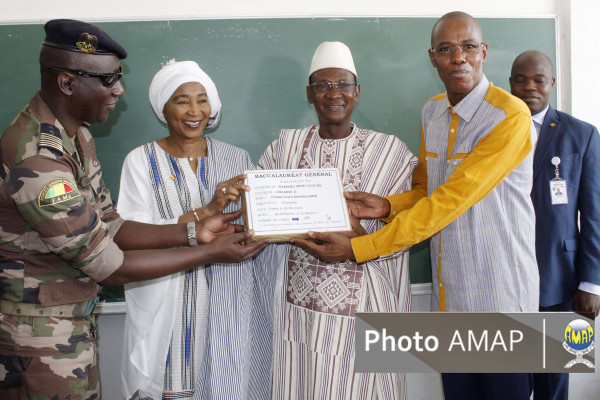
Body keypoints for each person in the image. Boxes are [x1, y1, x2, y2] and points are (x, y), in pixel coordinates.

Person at [0, 19, 266, 400]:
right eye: (108, 80)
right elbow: (106, 263)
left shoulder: (77, 135)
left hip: (69, 326)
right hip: (36, 339)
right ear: (67, 82)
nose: (120, 91)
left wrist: (194, 231)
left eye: (117, 77)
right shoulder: (40, 158)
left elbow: (111, 224)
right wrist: (210, 251)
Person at [294, 13, 539, 400]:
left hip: (499, 295)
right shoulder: (432, 112)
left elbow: (450, 200)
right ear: (432, 58)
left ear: (484, 52)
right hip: (450, 295)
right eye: (446, 49)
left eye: (468, 47)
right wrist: (387, 205)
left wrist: (361, 248)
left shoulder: (510, 116)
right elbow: (428, 188)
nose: (458, 57)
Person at [258, 41, 418, 399]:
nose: (334, 94)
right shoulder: (284, 147)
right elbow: (262, 215)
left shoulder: (390, 151)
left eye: (343, 84)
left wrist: (356, 244)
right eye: (323, 85)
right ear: (309, 94)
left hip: (366, 310)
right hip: (299, 312)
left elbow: (410, 226)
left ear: (357, 92)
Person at [118, 60, 272, 400]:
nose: (194, 110)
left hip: (228, 302)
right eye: (181, 100)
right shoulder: (140, 161)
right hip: (167, 305)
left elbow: (257, 226)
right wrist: (205, 211)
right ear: (164, 108)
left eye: (202, 99)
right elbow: (129, 235)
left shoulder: (237, 159)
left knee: (227, 384)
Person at [509, 50, 600, 400]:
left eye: (539, 80)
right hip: (504, 279)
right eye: (521, 79)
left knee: (553, 382)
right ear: (510, 83)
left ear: (552, 84)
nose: (529, 87)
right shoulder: (490, 133)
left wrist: (591, 282)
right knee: (510, 381)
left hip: (559, 282)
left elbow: (593, 213)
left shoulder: (582, 135)